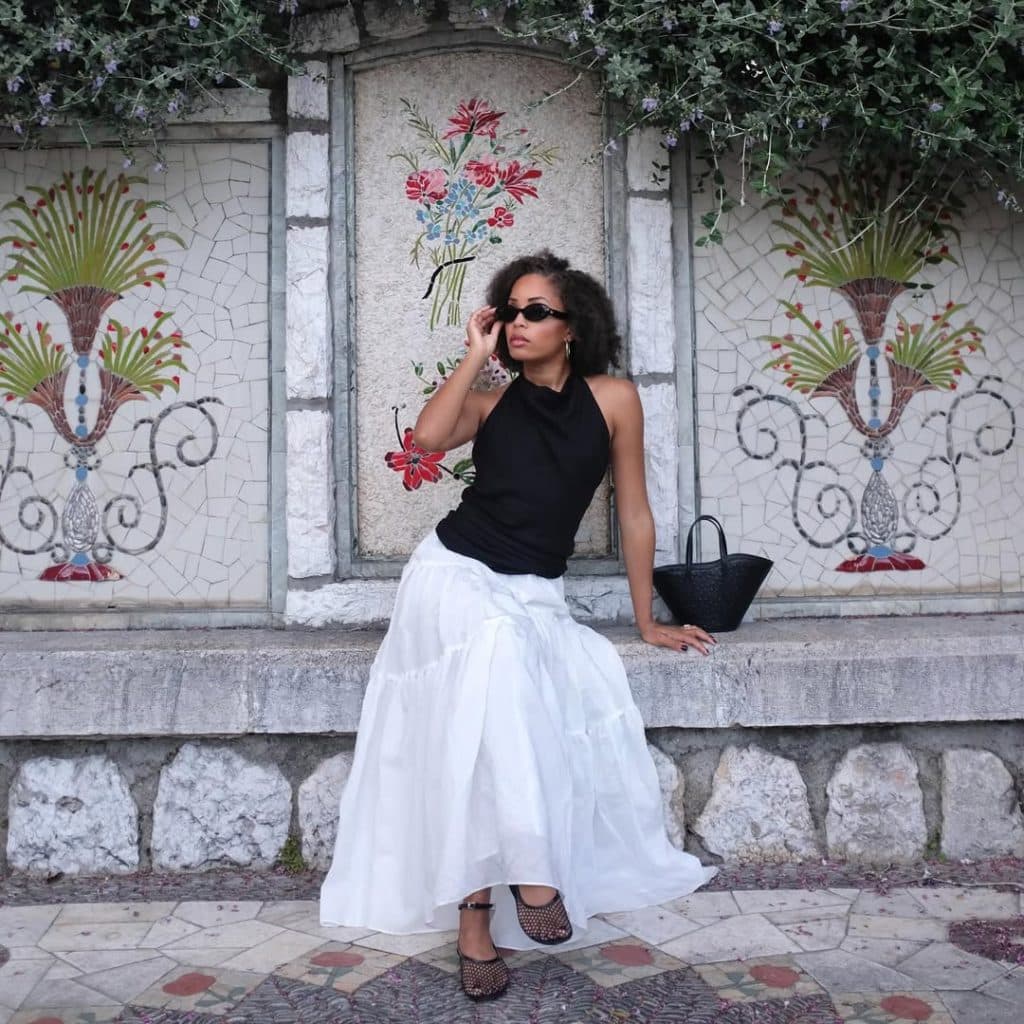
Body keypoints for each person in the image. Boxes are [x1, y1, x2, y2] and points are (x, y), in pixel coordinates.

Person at [320, 251, 717, 1001]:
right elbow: (430, 439)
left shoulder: (614, 399)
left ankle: (476, 919)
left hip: (535, 592)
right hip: (452, 574)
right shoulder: (492, 398)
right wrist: (476, 355)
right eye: (510, 309)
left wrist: (647, 620)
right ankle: (530, 878)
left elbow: (633, 511)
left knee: (489, 699)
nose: (518, 323)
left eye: (536, 311)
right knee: (495, 660)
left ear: (573, 327)